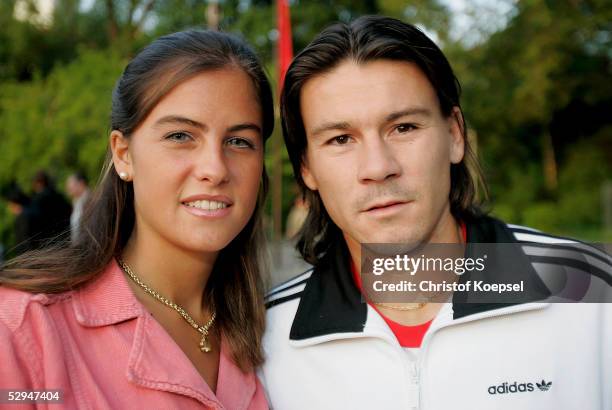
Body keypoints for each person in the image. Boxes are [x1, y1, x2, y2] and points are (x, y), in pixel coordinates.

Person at [260, 15, 612, 410]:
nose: (378, 167)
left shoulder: (594, 294)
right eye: (341, 139)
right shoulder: (264, 340)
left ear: (455, 135)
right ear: (307, 168)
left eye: (404, 127)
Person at [0, 29, 274, 409]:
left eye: (239, 141)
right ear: (123, 154)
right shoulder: (23, 330)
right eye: (181, 135)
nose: (215, 168)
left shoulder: (275, 335)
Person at [28, 170, 72, 247]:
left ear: (37, 183)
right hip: (64, 237)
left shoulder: (37, 200)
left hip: (46, 241)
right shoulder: (59, 196)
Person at [1, 182, 36, 256]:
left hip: (27, 257)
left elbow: (25, 241)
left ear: (14, 203)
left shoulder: (23, 218)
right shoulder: (29, 214)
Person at [65, 171, 91, 243]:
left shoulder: (90, 200)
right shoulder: (76, 201)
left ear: (81, 184)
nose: (68, 189)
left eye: (71, 185)